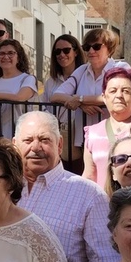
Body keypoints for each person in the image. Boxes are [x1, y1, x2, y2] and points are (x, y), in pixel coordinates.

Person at [13, 111, 118, 262]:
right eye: (28, 140)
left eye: (45, 140)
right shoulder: (0, 189)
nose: (36, 147)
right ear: (15, 145)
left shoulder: (89, 195)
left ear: (59, 144)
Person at [50, 28, 131, 157]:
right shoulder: (81, 70)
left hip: (115, 135)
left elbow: (116, 97)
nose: (91, 51)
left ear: (109, 49)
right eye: (87, 47)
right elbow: (56, 95)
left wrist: (81, 99)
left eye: (97, 47)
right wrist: (81, 104)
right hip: (86, 137)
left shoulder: (120, 68)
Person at [83, 67, 131, 188]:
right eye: (113, 91)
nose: (119, 95)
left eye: (125, 91)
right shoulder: (93, 133)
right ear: (104, 97)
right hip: (104, 204)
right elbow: (89, 176)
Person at [43, 36, 86, 174]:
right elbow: (45, 107)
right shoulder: (51, 82)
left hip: (81, 132)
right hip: (59, 133)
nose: (62, 55)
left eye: (66, 50)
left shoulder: (86, 77)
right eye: (57, 52)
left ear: (76, 52)